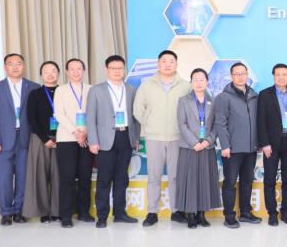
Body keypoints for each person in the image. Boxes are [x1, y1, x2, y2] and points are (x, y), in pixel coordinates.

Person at [133, 49, 190, 226]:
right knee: (154, 177)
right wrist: (150, 125)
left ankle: (176, 211)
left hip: (177, 138)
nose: (167, 64)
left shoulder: (185, 86)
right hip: (154, 138)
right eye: (164, 61)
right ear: (158, 64)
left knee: (175, 177)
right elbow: (137, 110)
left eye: (171, 61)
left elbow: (191, 111)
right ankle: (152, 212)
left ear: (176, 64)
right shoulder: (147, 85)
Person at [0, 53, 40, 226]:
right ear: (5, 67)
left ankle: (19, 210)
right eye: (11, 64)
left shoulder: (33, 87)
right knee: (4, 178)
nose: (15, 67)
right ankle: (6, 212)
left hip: (26, 138)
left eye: (18, 63)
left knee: (24, 178)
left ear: (23, 66)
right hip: (3, 141)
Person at [86, 55, 140, 228]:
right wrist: (92, 141)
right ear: (107, 70)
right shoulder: (96, 90)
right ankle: (102, 216)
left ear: (124, 69)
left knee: (122, 178)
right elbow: (90, 117)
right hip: (104, 140)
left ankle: (120, 213)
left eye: (120, 68)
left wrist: (136, 138)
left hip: (126, 136)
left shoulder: (131, 90)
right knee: (104, 179)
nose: (117, 71)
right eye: (113, 68)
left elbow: (136, 117)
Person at [214, 62, 261, 228]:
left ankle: (246, 212)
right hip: (232, 149)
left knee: (247, 181)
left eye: (243, 73)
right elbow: (220, 123)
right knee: (230, 182)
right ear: (231, 76)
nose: (241, 77)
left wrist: (258, 143)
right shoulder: (223, 97)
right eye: (237, 74)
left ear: (247, 75)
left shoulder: (254, 96)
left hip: (251, 148)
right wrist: (225, 146)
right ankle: (229, 215)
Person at [177, 68, 221, 228]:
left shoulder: (213, 101)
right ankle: (190, 214)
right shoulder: (183, 100)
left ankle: (202, 214)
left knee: (205, 180)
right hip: (189, 147)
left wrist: (208, 141)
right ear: (191, 82)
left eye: (202, 79)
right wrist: (194, 143)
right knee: (190, 180)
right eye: (195, 80)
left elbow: (217, 124)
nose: (199, 83)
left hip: (207, 147)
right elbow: (182, 124)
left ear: (207, 82)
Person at [53, 58, 94, 227]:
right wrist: (76, 132)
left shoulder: (92, 89)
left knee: (85, 177)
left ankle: (84, 212)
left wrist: (85, 133)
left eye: (79, 68)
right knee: (67, 178)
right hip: (66, 138)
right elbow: (59, 114)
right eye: (72, 69)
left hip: (87, 138)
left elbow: (95, 113)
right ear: (67, 72)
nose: (76, 72)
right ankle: (66, 215)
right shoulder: (61, 90)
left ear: (84, 70)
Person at [257, 63, 287, 226]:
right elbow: (260, 121)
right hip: (271, 144)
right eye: (278, 74)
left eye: (284, 74)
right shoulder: (264, 94)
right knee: (269, 179)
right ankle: (272, 213)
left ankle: (285, 212)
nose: (281, 77)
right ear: (273, 76)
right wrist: (265, 143)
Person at [23, 61, 61, 222]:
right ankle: (43, 212)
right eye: (46, 71)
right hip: (40, 139)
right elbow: (31, 118)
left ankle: (58, 210)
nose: (50, 74)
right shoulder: (35, 94)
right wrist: (45, 139)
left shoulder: (64, 91)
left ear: (59, 73)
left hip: (62, 139)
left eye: (53, 71)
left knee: (59, 175)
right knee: (39, 175)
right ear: (41, 75)